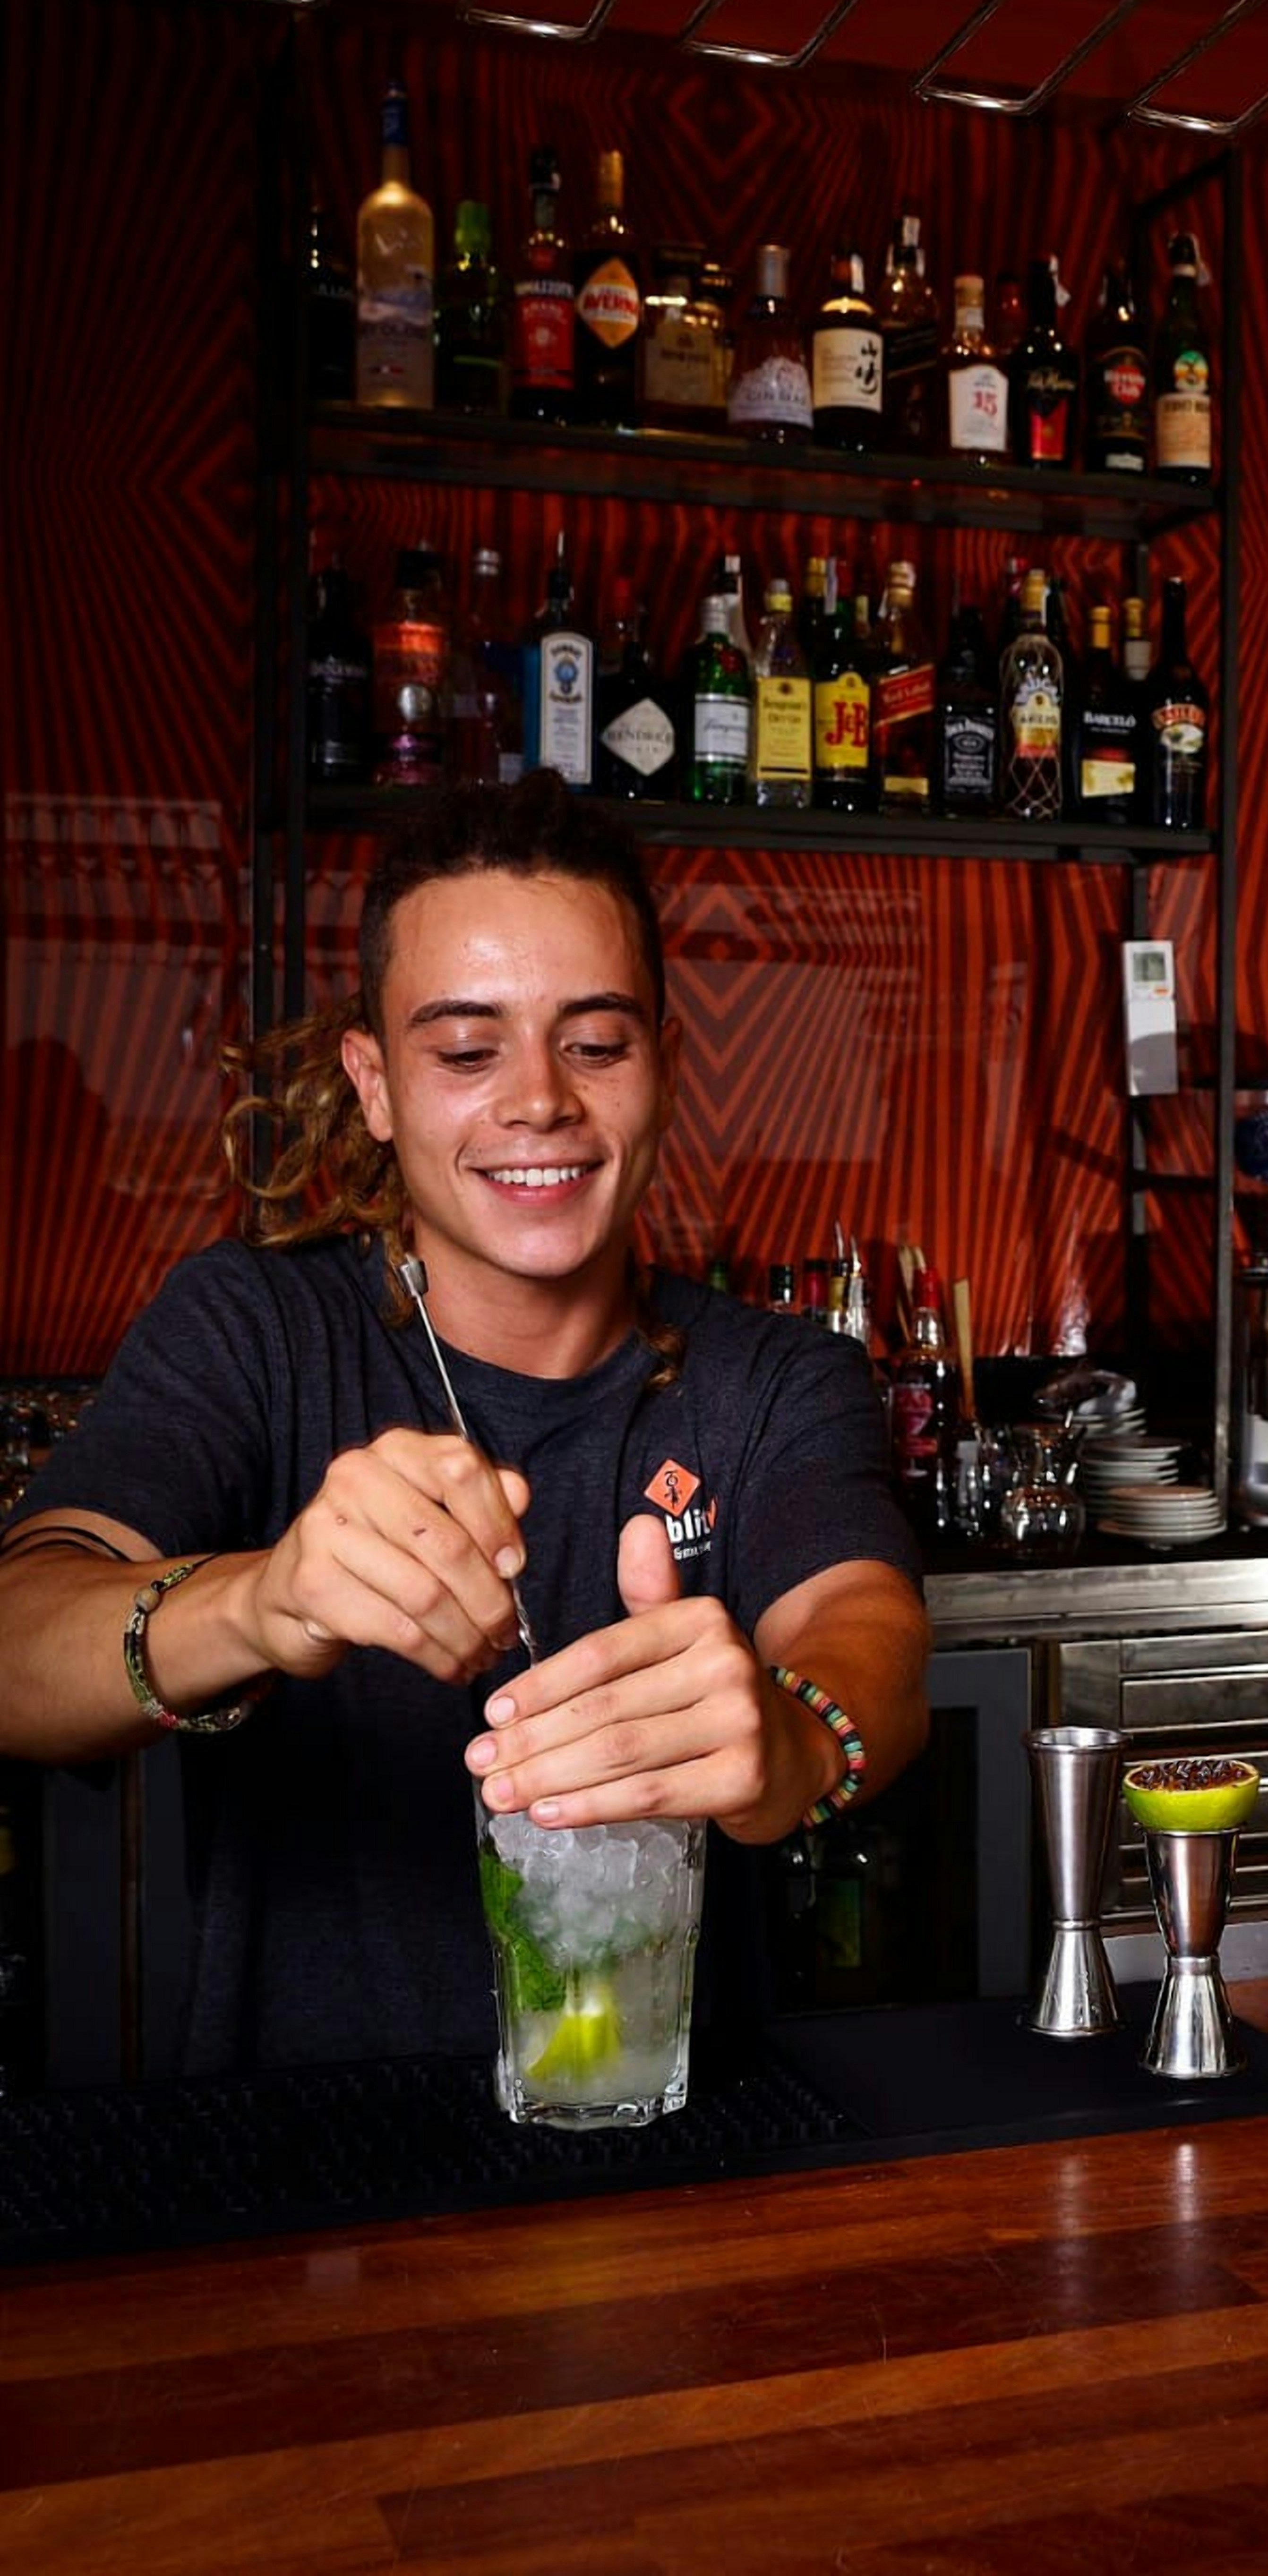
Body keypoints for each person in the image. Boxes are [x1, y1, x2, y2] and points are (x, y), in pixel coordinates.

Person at [0, 774, 932, 2072]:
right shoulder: (256, 1329)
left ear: (662, 1064)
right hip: (305, 2185)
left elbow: (868, 1635)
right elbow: (16, 1651)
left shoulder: (769, 1374)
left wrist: (787, 1737)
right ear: (375, 1086)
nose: (539, 1099)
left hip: (681, 2157)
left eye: (596, 1042)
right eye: (464, 1049)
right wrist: (262, 1605)